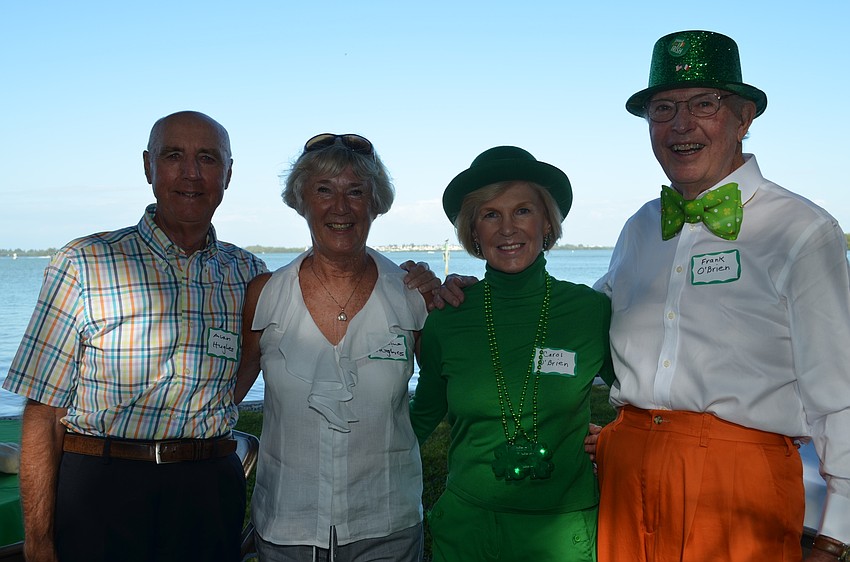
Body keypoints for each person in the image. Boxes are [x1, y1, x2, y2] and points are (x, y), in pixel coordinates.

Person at [590, 30, 850, 561]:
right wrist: (476, 296)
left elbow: (838, 390)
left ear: (743, 117)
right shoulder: (640, 228)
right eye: (663, 108)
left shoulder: (801, 229)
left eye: (703, 104)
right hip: (625, 479)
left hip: (739, 486)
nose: (681, 125)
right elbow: (579, 325)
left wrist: (835, 533)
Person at [2, 111, 268, 562]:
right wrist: (40, 540)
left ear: (228, 173)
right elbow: (44, 412)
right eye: (173, 156)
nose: (191, 173)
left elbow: (249, 361)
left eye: (207, 158)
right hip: (102, 490)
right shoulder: (84, 263)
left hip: (207, 491)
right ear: (148, 166)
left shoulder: (248, 273)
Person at [233, 133, 440, 562]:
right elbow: (226, 394)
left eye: (356, 192)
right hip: (286, 524)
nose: (340, 207)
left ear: (375, 203)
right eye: (324, 190)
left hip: (387, 523)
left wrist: (463, 295)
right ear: (301, 201)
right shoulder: (265, 295)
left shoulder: (412, 295)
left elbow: (450, 389)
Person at [410, 146, 615, 561]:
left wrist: (614, 440)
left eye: (522, 211)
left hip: (563, 533)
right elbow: (419, 419)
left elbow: (647, 397)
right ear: (473, 231)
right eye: (491, 214)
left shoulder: (590, 311)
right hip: (468, 532)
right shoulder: (448, 317)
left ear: (547, 223)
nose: (507, 229)